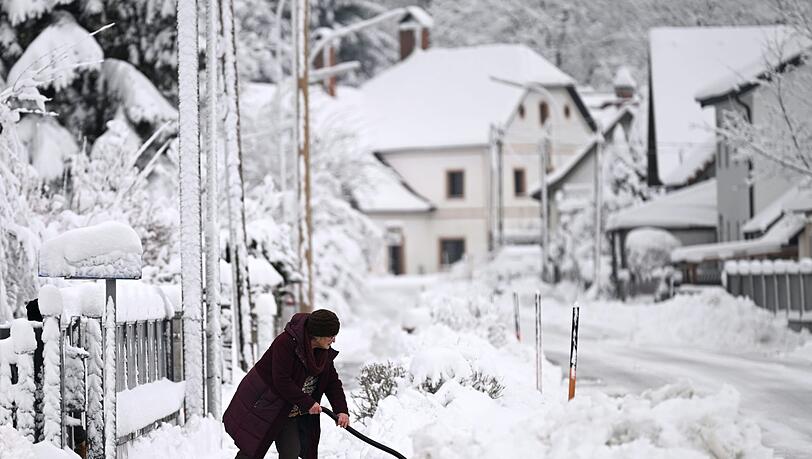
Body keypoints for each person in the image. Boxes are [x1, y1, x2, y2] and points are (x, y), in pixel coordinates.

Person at [224, 309, 350, 459]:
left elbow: (332, 382)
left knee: (291, 452)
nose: (334, 340)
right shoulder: (286, 343)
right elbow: (281, 380)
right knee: (251, 450)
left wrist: (341, 410)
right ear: (317, 335)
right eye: (331, 336)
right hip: (265, 404)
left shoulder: (323, 353)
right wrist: (308, 403)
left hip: (290, 409)